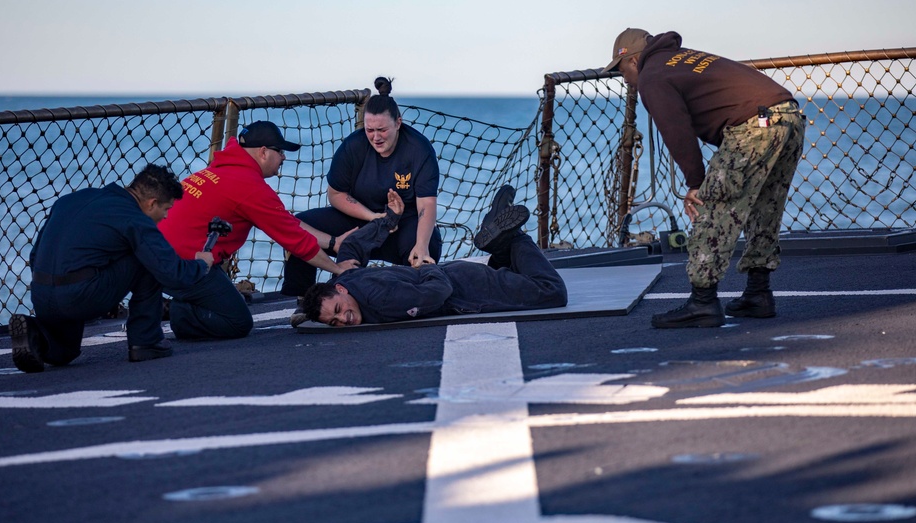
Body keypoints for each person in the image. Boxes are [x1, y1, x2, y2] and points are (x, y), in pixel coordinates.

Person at [606, 29, 805, 328]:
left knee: (711, 210)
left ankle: (702, 302)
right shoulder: (681, 59)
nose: (625, 80)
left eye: (622, 72)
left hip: (755, 127)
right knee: (765, 207)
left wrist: (696, 183)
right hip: (788, 116)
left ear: (633, 60)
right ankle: (758, 293)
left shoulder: (653, 77)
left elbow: (676, 131)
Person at [158, 121, 358, 339]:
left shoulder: (222, 170)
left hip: (154, 251)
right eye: (280, 151)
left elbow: (287, 223)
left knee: (224, 301)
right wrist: (337, 269)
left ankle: (169, 300)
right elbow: (296, 241)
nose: (284, 157)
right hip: (184, 263)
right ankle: (177, 311)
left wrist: (333, 243)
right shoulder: (250, 187)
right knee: (237, 323)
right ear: (263, 152)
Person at [9, 164, 214, 372]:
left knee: (65, 352)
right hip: (80, 297)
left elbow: (34, 255)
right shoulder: (135, 219)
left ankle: (36, 334)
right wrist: (201, 265)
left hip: (41, 294)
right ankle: (146, 341)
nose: (166, 216)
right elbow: (172, 274)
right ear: (152, 204)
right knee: (148, 259)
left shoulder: (69, 200)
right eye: (166, 209)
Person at [281, 77, 443, 313]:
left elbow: (426, 205)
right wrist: (373, 217)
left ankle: (409, 299)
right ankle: (305, 300)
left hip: (401, 223)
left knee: (428, 247)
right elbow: (335, 194)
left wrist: (421, 245)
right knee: (300, 226)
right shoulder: (354, 146)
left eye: (382, 130)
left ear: (398, 123)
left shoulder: (419, 149)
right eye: (370, 130)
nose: (376, 137)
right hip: (359, 219)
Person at [301, 185, 567, 326]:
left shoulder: (383, 303)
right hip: (464, 277)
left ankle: (514, 238)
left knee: (552, 292)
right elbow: (355, 246)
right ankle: (501, 246)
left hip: (470, 289)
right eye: (334, 323)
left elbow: (440, 290)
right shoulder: (347, 275)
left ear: (340, 290)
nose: (344, 319)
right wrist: (388, 219)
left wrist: (424, 267)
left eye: (338, 310)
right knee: (521, 279)